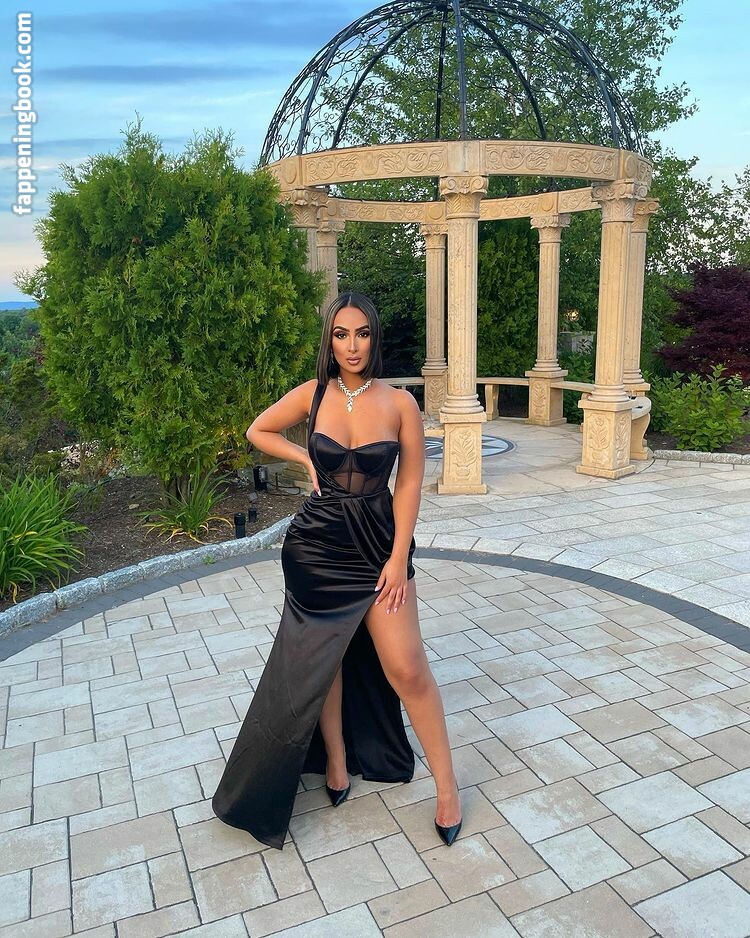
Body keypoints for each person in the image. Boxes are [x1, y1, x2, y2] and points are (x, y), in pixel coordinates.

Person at [212, 291, 462, 849]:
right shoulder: (313, 394)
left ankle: (447, 789)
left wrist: (398, 558)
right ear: (330, 339)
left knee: (407, 668)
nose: (352, 346)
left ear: (375, 337)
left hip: (378, 546)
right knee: (321, 665)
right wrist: (304, 456)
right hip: (316, 548)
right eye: (341, 334)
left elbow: (410, 483)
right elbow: (258, 430)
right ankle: (337, 760)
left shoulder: (400, 403)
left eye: (362, 333)